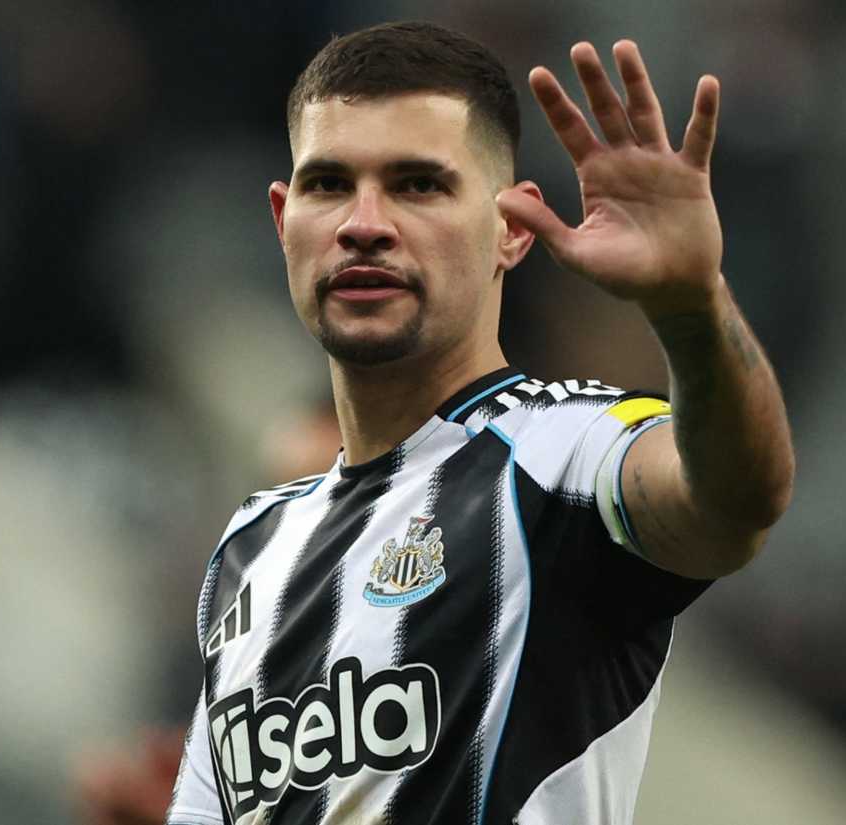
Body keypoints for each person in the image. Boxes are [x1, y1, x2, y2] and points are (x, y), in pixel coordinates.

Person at [162, 20, 794, 825]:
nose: (364, 222)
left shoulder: (563, 456)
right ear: (284, 220)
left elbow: (737, 500)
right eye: (328, 184)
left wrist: (690, 306)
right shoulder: (249, 552)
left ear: (512, 228)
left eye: (418, 185)